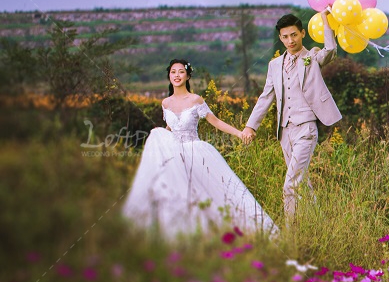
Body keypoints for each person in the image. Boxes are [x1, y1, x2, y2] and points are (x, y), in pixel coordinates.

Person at [121, 59, 278, 241]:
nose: (177, 75)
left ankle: (224, 231)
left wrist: (240, 133)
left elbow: (216, 121)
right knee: (159, 140)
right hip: (175, 154)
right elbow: (170, 128)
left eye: (181, 72)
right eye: (173, 72)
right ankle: (177, 231)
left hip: (194, 151)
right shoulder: (166, 103)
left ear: (188, 76)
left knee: (209, 194)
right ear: (169, 76)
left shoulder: (196, 100)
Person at [241, 13, 342, 224]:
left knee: (291, 184)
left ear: (302, 33)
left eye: (294, 35)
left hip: (306, 128)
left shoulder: (312, 56)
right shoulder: (275, 65)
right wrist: (251, 126)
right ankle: (320, 225)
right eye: (285, 37)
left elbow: (330, 50)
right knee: (301, 181)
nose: (290, 40)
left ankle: (290, 232)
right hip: (284, 131)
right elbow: (266, 97)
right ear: (280, 38)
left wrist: (325, 19)